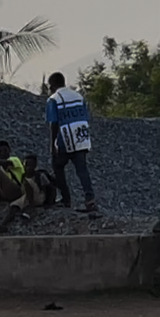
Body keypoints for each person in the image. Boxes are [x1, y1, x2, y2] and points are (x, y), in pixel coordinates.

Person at [44, 73, 102, 216]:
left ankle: (66, 199)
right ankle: (90, 200)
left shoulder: (54, 99)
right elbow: (86, 116)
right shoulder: (78, 96)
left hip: (66, 138)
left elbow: (54, 123)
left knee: (57, 165)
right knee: (82, 170)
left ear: (52, 85)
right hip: (81, 137)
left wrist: (53, 144)